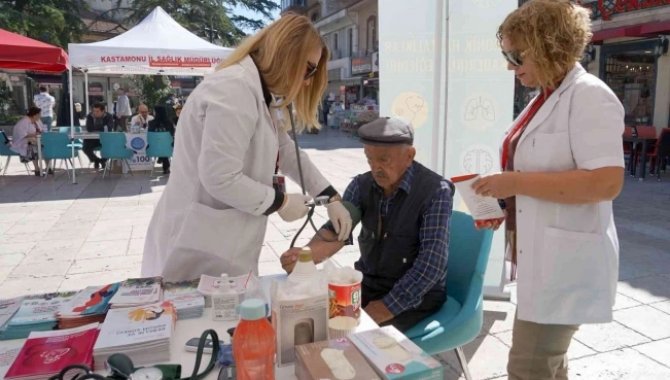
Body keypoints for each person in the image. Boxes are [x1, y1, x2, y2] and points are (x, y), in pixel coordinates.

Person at [472, 1, 625, 379]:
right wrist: (505, 203)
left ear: (548, 44)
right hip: (541, 260)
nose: (509, 65)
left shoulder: (590, 95)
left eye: (515, 54)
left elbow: (606, 182)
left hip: (564, 267)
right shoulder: (544, 97)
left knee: (528, 366)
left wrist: (515, 183)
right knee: (549, 365)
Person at [141, 13, 353, 282]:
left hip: (222, 242)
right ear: (287, 55)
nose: (308, 81)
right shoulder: (234, 88)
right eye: (309, 69)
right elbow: (220, 176)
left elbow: (286, 151)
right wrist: (282, 202)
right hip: (193, 246)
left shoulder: (259, 93)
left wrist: (330, 197)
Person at [280, 118, 454, 331]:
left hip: (416, 296)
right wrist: (305, 257)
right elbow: (337, 231)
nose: (376, 168)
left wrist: (384, 308)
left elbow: (431, 265)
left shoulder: (435, 191)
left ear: (409, 156)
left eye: (384, 160)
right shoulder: (362, 185)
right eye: (370, 159)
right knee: (312, 321)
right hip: (367, 286)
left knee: (357, 342)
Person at [10, 106, 47, 176]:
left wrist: (40, 133)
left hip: (36, 139)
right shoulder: (23, 122)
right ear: (35, 115)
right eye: (39, 114)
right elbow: (22, 135)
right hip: (22, 142)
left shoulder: (37, 121)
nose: (40, 116)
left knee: (48, 144)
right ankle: (37, 169)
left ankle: (48, 168)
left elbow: (42, 130)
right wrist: (35, 135)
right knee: (34, 146)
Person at [84, 102, 114, 170]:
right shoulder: (90, 116)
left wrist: (95, 127)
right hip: (92, 139)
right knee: (85, 147)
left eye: (97, 111)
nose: (95, 113)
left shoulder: (109, 116)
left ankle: (104, 160)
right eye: (94, 111)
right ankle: (97, 160)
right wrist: (102, 127)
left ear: (103, 111)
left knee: (110, 146)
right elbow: (89, 128)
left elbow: (109, 127)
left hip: (105, 139)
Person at [148, 105, 175, 174]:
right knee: (164, 144)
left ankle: (161, 157)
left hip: (154, 148)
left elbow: (149, 137)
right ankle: (163, 160)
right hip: (169, 148)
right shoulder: (169, 123)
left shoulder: (151, 123)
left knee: (160, 144)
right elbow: (172, 135)